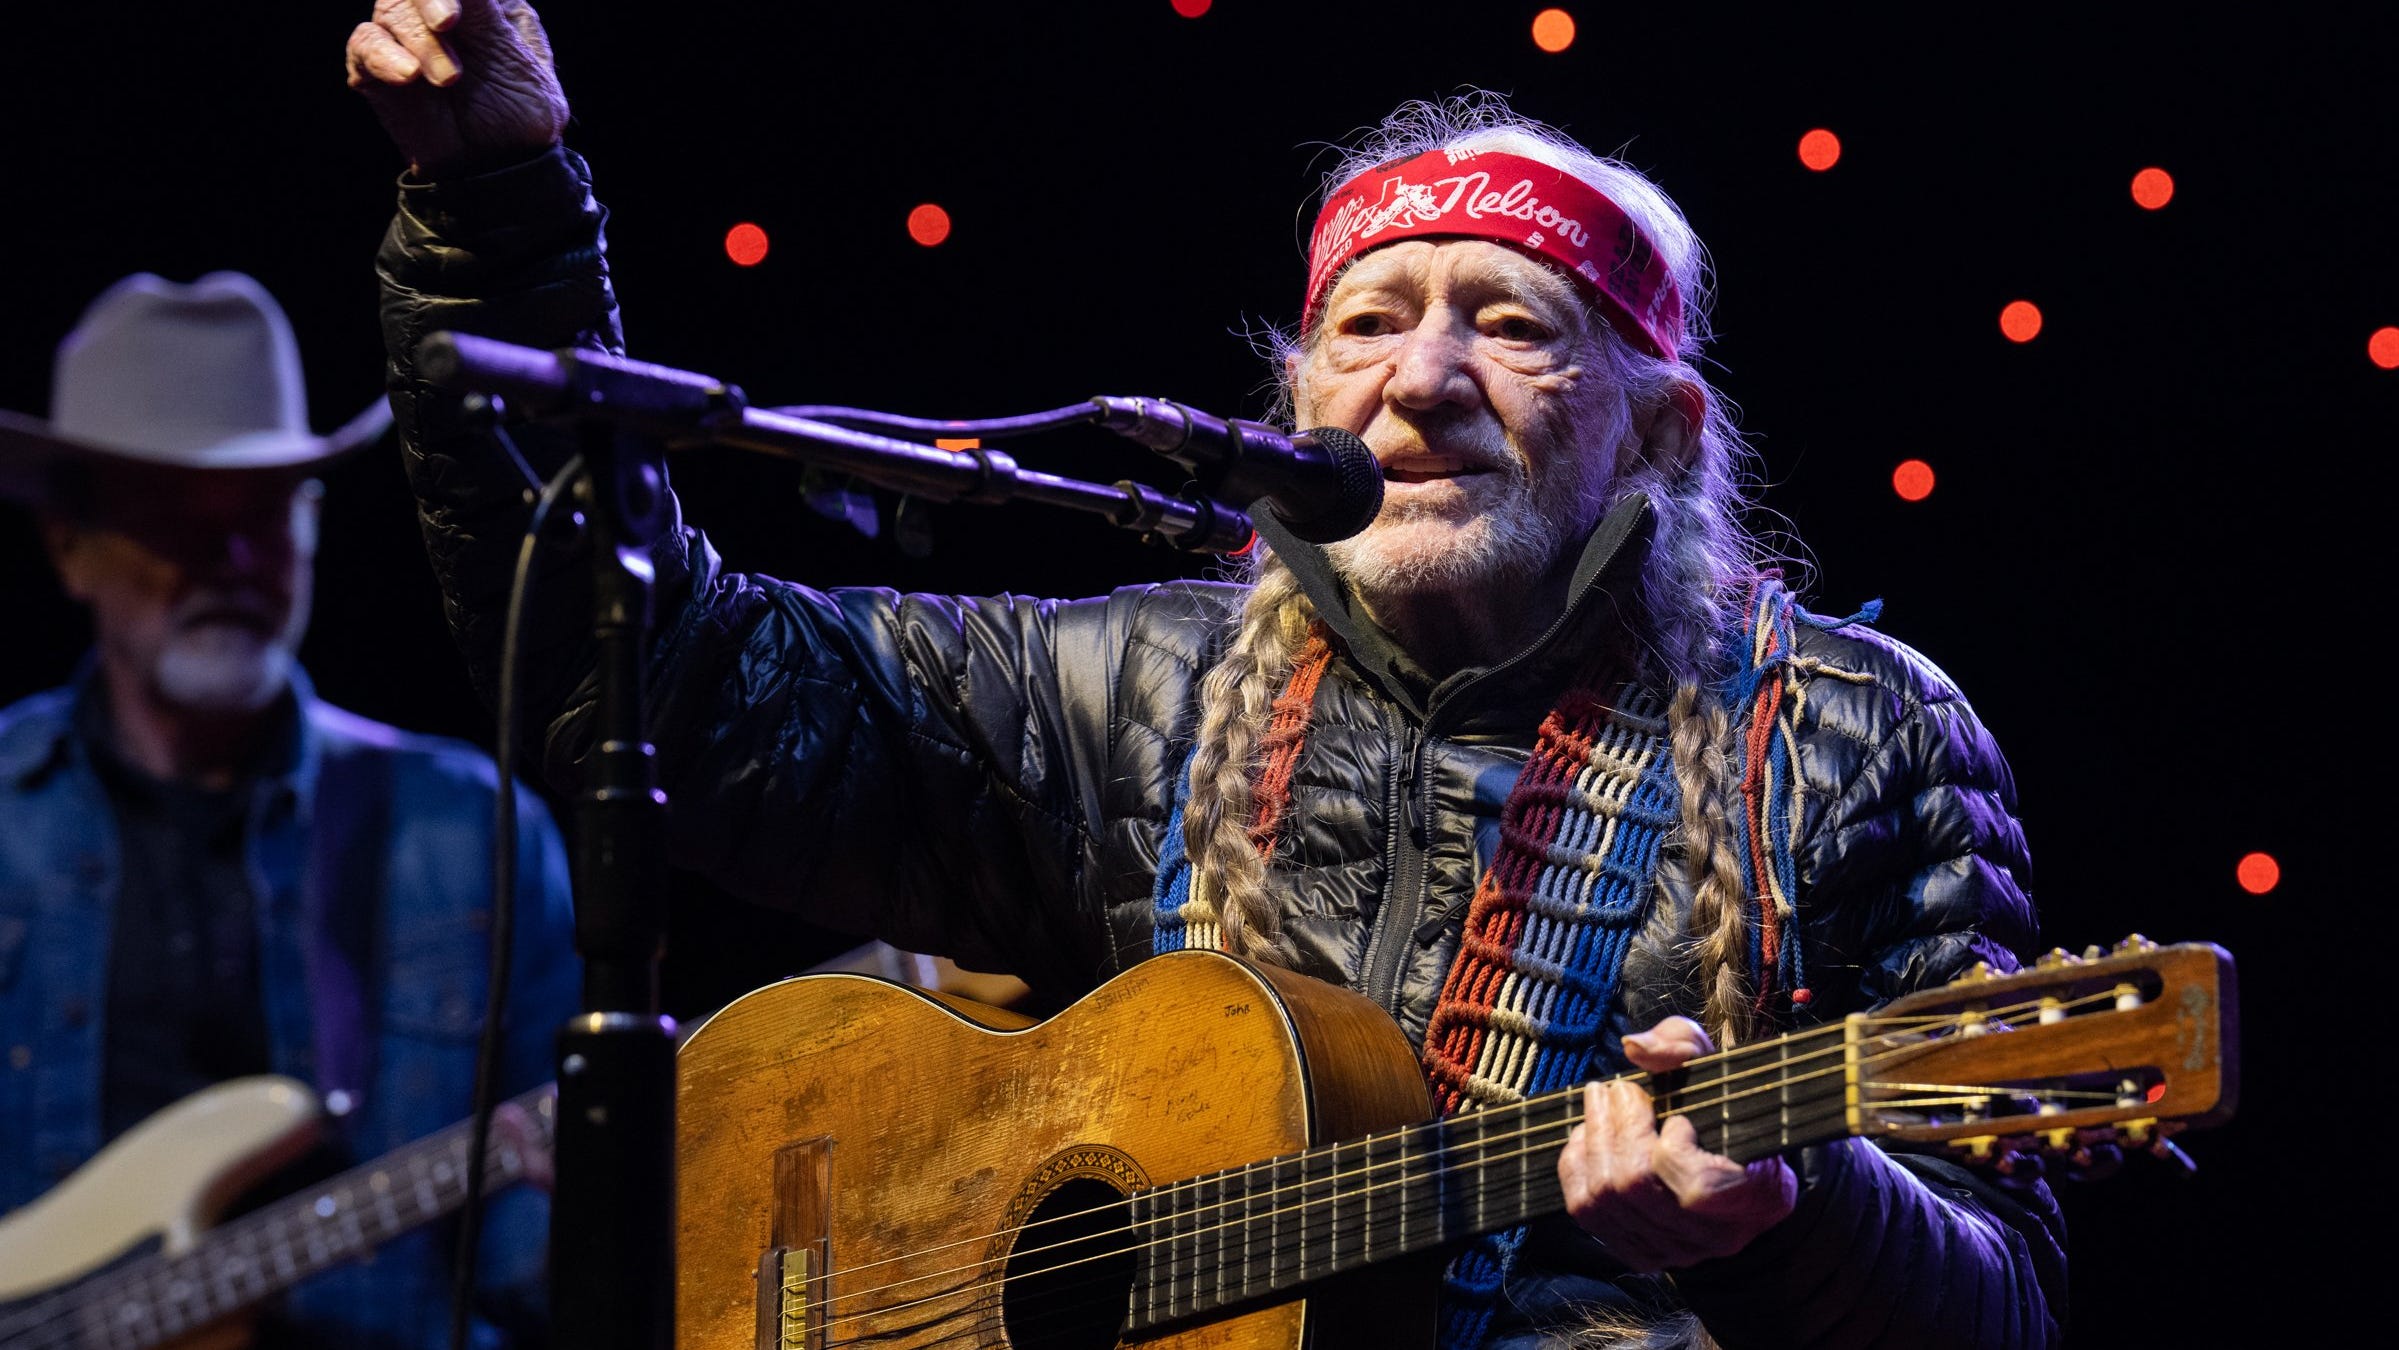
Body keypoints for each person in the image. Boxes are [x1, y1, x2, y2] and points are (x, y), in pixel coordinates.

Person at [348, 3, 2065, 1346]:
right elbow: (668, 686)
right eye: (1368, 321)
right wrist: (495, 209)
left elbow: (1997, 1298)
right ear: (1292, 401)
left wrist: (1790, 1219)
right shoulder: (1122, 696)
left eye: (1512, 323)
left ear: (1658, 432)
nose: (1423, 379)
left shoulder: (1848, 732)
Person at [0, 269, 580, 1350]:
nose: (225, 563)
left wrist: (598, 1202)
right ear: (68, 546)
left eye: (261, 513)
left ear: (312, 531)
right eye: (173, 520)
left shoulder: (469, 829)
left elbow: (529, 1274)